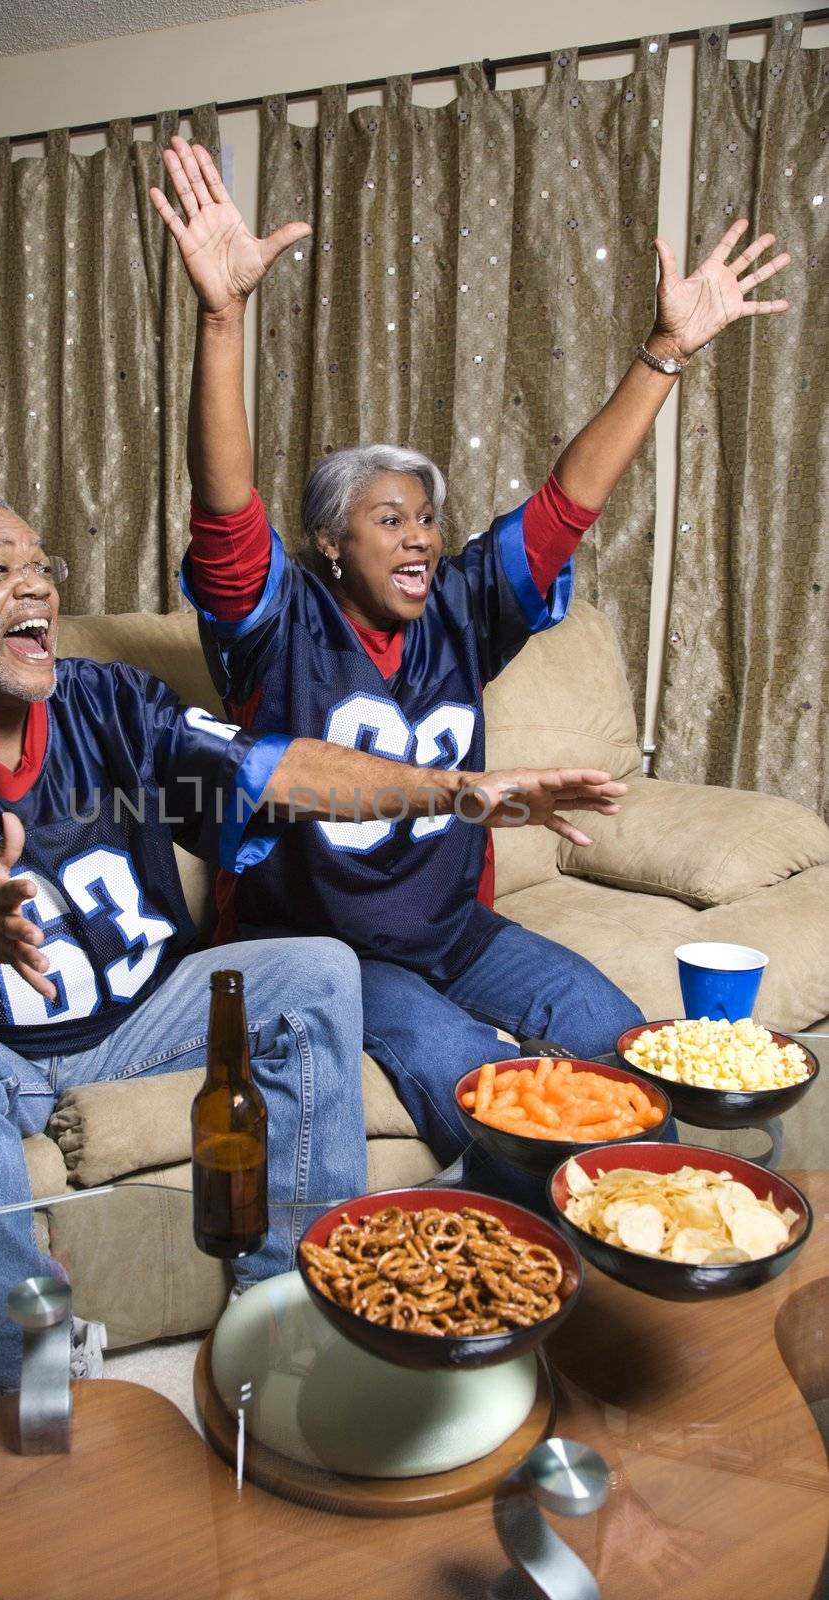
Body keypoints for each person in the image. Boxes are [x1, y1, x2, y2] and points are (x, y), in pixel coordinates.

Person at [0, 489, 624, 1390]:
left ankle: (288, 1290)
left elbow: (277, 768)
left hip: (141, 1017)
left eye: (41, 567)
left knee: (316, 970)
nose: (36, 590)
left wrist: (458, 792)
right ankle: (29, 1355)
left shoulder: (111, 703)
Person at [151, 135, 790, 1189]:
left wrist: (663, 352)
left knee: (615, 1034)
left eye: (427, 519)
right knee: (471, 1085)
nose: (417, 537)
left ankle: (661, 1240)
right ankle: (542, 1274)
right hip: (327, 954)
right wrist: (222, 317)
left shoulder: (459, 606)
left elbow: (564, 503)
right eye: (387, 518)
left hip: (456, 928)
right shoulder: (275, 623)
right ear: (326, 541)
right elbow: (223, 509)